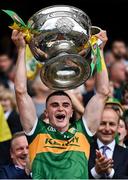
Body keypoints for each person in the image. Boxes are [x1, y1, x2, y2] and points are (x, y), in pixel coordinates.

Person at [11, 29, 109, 179]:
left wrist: (99, 50)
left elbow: (102, 93)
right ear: (46, 112)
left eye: (66, 105)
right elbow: (20, 91)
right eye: (54, 105)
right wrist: (21, 48)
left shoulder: (83, 130)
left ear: (71, 112)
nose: (61, 108)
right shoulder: (36, 130)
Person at [88, 106, 128, 179]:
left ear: (117, 127)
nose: (107, 128)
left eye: (112, 124)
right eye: (102, 123)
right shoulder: (83, 151)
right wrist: (95, 172)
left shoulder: (126, 154)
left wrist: (110, 172)